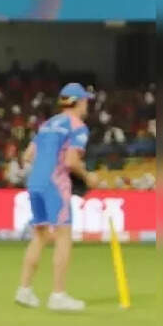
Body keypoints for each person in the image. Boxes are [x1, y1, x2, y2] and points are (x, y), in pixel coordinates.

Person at [15, 82, 97, 311]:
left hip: (36, 182)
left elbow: (28, 155)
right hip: (55, 184)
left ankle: (24, 290)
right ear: (79, 102)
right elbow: (71, 161)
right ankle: (58, 295)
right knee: (64, 236)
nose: (87, 105)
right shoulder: (78, 127)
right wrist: (88, 177)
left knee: (39, 235)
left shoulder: (48, 125)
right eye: (85, 101)